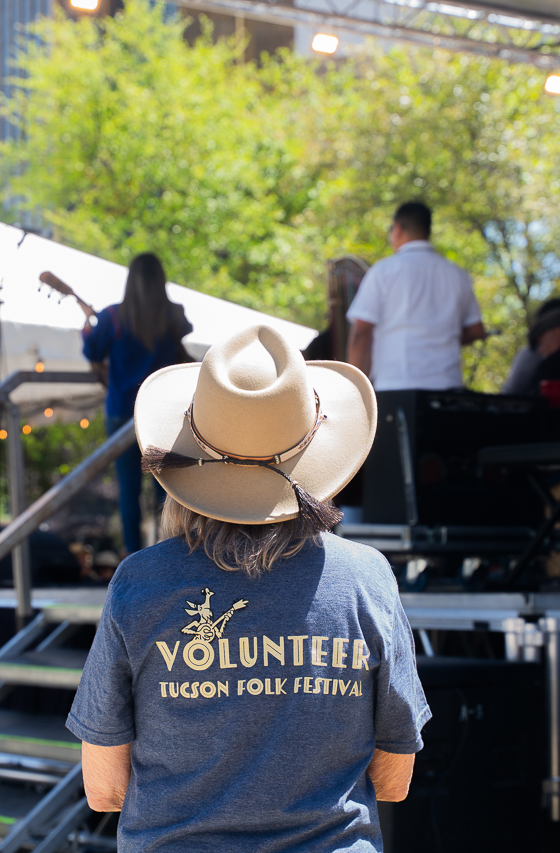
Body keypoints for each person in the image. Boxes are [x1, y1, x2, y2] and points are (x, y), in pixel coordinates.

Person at [67, 325, 432, 852]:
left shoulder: (140, 583)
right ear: (315, 455)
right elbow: (394, 779)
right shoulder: (367, 579)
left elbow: (104, 789)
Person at [42, 254, 193, 556]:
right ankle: (174, 552)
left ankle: (133, 555)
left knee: (129, 489)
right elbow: (181, 338)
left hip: (122, 411)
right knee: (167, 488)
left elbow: (93, 352)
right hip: (161, 411)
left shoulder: (113, 316)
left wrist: (89, 326)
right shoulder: (172, 313)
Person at [346, 201, 485, 390]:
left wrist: (352, 388)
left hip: (396, 385)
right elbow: (476, 330)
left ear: (397, 229)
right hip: (447, 387)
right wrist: (440, 336)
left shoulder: (384, 271)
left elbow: (361, 333)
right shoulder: (457, 274)